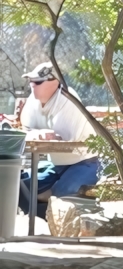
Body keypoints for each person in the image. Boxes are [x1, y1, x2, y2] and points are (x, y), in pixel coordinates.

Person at [16, 64, 100, 217]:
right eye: (31, 81)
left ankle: (58, 215)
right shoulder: (33, 101)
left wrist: (42, 135)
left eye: (38, 82)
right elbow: (25, 128)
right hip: (56, 164)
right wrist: (38, 134)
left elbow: (65, 142)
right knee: (18, 185)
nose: (32, 85)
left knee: (61, 195)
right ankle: (47, 213)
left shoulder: (68, 98)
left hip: (84, 162)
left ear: (54, 82)